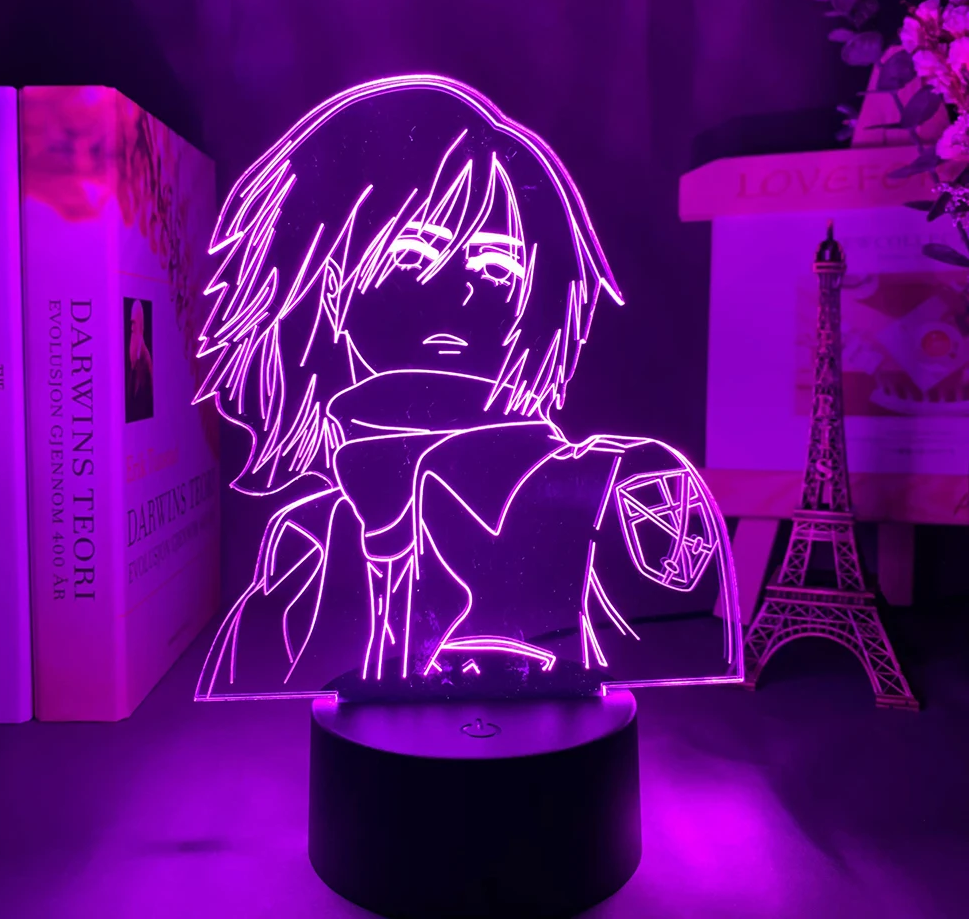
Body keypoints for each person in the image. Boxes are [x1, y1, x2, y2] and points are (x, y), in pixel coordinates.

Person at [193, 76, 740, 700]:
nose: (458, 294)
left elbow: (656, 679)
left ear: (534, 297)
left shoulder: (618, 489)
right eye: (411, 256)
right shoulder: (307, 540)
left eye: (497, 265)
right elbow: (263, 686)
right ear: (333, 280)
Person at [126, 299, 154, 422]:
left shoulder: (145, 358)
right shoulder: (133, 345)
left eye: (134, 323)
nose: (132, 328)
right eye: (131, 323)